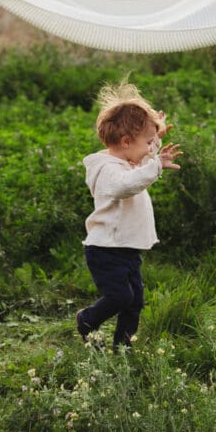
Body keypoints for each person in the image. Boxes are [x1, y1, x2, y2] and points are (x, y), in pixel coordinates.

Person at [75, 82, 182, 349]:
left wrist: (155, 138)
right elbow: (128, 184)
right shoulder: (108, 170)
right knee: (121, 297)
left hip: (126, 249)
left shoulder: (128, 161)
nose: (150, 149)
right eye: (147, 143)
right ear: (125, 142)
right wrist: (156, 163)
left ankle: (123, 348)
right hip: (106, 249)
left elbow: (142, 164)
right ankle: (87, 320)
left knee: (135, 302)